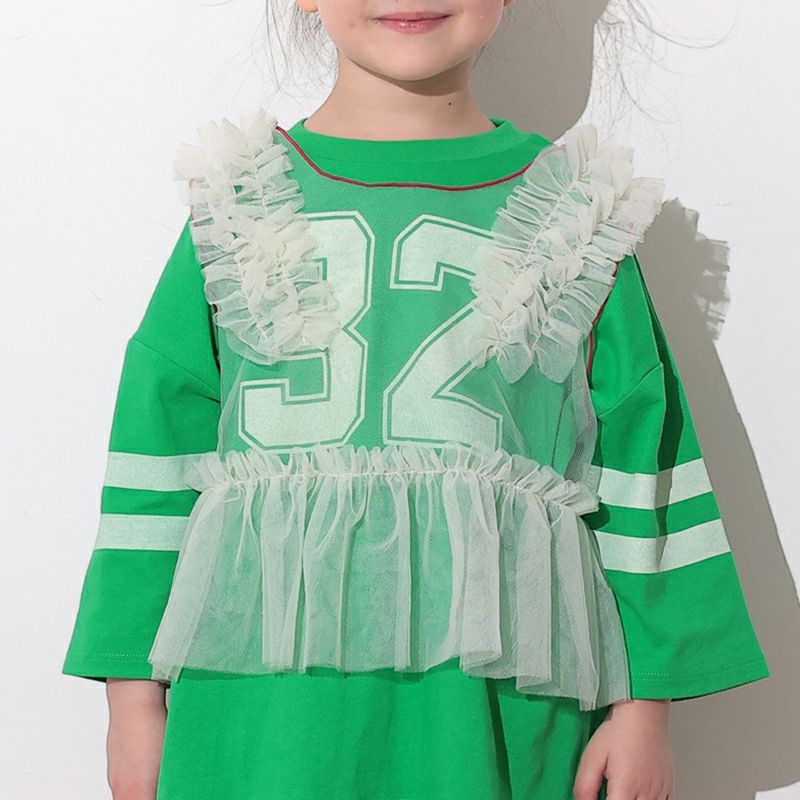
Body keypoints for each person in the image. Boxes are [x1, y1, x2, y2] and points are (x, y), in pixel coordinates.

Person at [61, 2, 770, 799]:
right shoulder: (237, 202)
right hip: (257, 725)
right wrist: (132, 702)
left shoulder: (578, 216)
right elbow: (157, 456)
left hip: (494, 713)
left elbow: (644, 458)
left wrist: (644, 711)